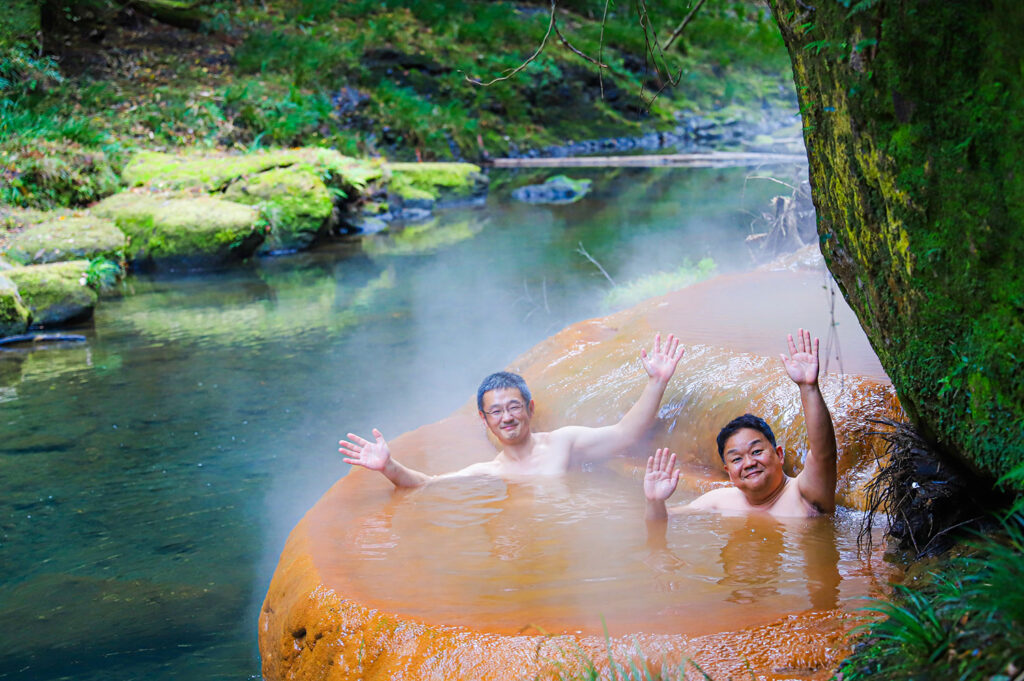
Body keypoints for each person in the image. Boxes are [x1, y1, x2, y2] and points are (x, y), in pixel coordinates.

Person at [340, 333, 685, 488]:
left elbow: (626, 434)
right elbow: (427, 485)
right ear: (484, 419)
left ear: (530, 408)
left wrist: (657, 381)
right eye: (496, 412)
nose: (506, 417)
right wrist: (388, 466)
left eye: (513, 407)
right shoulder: (489, 472)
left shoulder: (564, 444)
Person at [644, 328, 837, 519]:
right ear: (729, 472)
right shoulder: (719, 502)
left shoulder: (805, 494)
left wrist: (808, 388)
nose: (749, 463)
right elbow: (663, 520)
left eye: (756, 452)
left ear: (779, 454)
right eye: (736, 459)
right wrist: (655, 502)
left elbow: (824, 454)